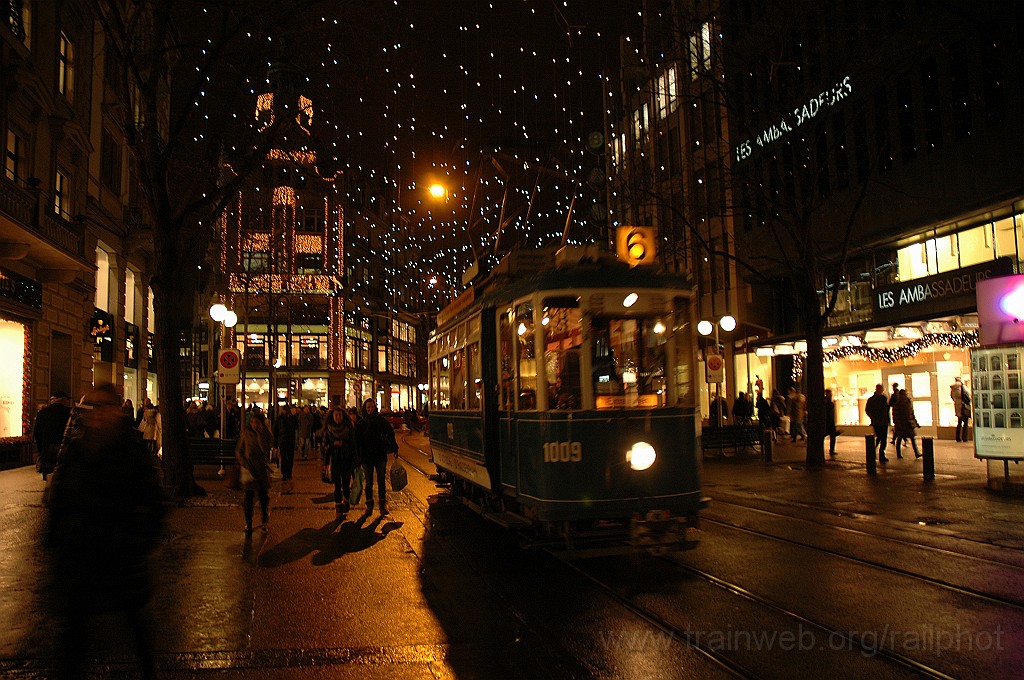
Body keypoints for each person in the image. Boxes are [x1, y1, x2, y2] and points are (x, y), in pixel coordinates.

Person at [44, 383, 165, 679]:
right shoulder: (76, 449)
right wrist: (55, 539)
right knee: (73, 644)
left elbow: (155, 505)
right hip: (79, 563)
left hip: (122, 563)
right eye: (91, 408)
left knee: (138, 638)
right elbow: (60, 501)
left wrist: (137, 543)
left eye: (103, 408)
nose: (96, 416)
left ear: (118, 412)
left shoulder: (133, 453)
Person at [356, 398, 399, 515]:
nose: (370, 409)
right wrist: (357, 457)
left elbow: (390, 433)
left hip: (379, 455)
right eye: (368, 407)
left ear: (375, 408)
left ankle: (382, 505)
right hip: (366, 456)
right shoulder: (361, 423)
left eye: (372, 407)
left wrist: (394, 448)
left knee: (381, 481)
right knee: (369, 482)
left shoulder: (381, 421)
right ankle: (369, 505)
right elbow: (356, 441)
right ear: (365, 408)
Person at [236, 410, 273, 532]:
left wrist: (260, 434)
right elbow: (239, 450)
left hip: (261, 469)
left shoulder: (266, 434)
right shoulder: (246, 434)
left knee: (263, 497)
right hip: (249, 468)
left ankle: (264, 519)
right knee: (248, 498)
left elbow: (267, 448)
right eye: (252, 422)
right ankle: (248, 522)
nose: (254, 425)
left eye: (257, 423)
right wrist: (244, 462)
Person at [323, 407, 359, 513]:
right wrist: (333, 445)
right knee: (337, 485)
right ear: (332, 417)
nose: (338, 417)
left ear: (343, 416)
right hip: (334, 460)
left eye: (340, 415)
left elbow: (353, 445)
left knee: (346, 484)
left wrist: (356, 461)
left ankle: (346, 500)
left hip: (347, 460)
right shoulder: (328, 429)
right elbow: (324, 447)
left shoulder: (348, 429)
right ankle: (338, 507)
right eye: (336, 415)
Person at [32, 390, 72, 481]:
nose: (67, 402)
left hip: (47, 451)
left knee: (49, 479)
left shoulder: (42, 413)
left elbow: (37, 434)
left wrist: (41, 451)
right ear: (62, 399)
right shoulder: (69, 412)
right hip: (64, 451)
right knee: (64, 479)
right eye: (66, 399)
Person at [865, 383, 891, 463]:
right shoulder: (874, 399)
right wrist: (874, 417)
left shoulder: (883, 398)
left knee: (882, 438)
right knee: (880, 437)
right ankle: (875, 452)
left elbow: (886, 410)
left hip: (882, 421)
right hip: (878, 422)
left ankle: (879, 453)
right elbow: (868, 410)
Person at [892, 389, 921, 459]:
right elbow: (895, 415)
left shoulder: (908, 403)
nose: (904, 396)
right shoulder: (898, 404)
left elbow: (912, 414)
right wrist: (897, 423)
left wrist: (915, 423)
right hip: (901, 424)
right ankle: (899, 454)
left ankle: (917, 453)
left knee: (912, 438)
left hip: (908, 423)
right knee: (900, 438)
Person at [273, 405, 298, 480]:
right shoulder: (279, 418)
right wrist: (275, 444)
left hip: (289, 440)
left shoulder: (292, 418)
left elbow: (296, 426)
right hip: (283, 441)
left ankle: (288, 473)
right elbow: (276, 431)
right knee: (284, 458)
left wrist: (294, 416)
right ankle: (284, 474)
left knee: (289, 458)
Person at [951, 377, 972, 442]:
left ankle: (958, 438)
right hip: (963, 406)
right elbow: (968, 394)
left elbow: (952, 397)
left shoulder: (953, 388)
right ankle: (964, 438)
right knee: (965, 423)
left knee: (959, 423)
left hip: (957, 406)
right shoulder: (962, 386)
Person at [824, 389, 839, 457]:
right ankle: (831, 450)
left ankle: (832, 450)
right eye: (829, 394)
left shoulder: (831, 403)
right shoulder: (825, 403)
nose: (830, 395)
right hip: (826, 423)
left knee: (833, 437)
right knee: (830, 436)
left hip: (830, 423)